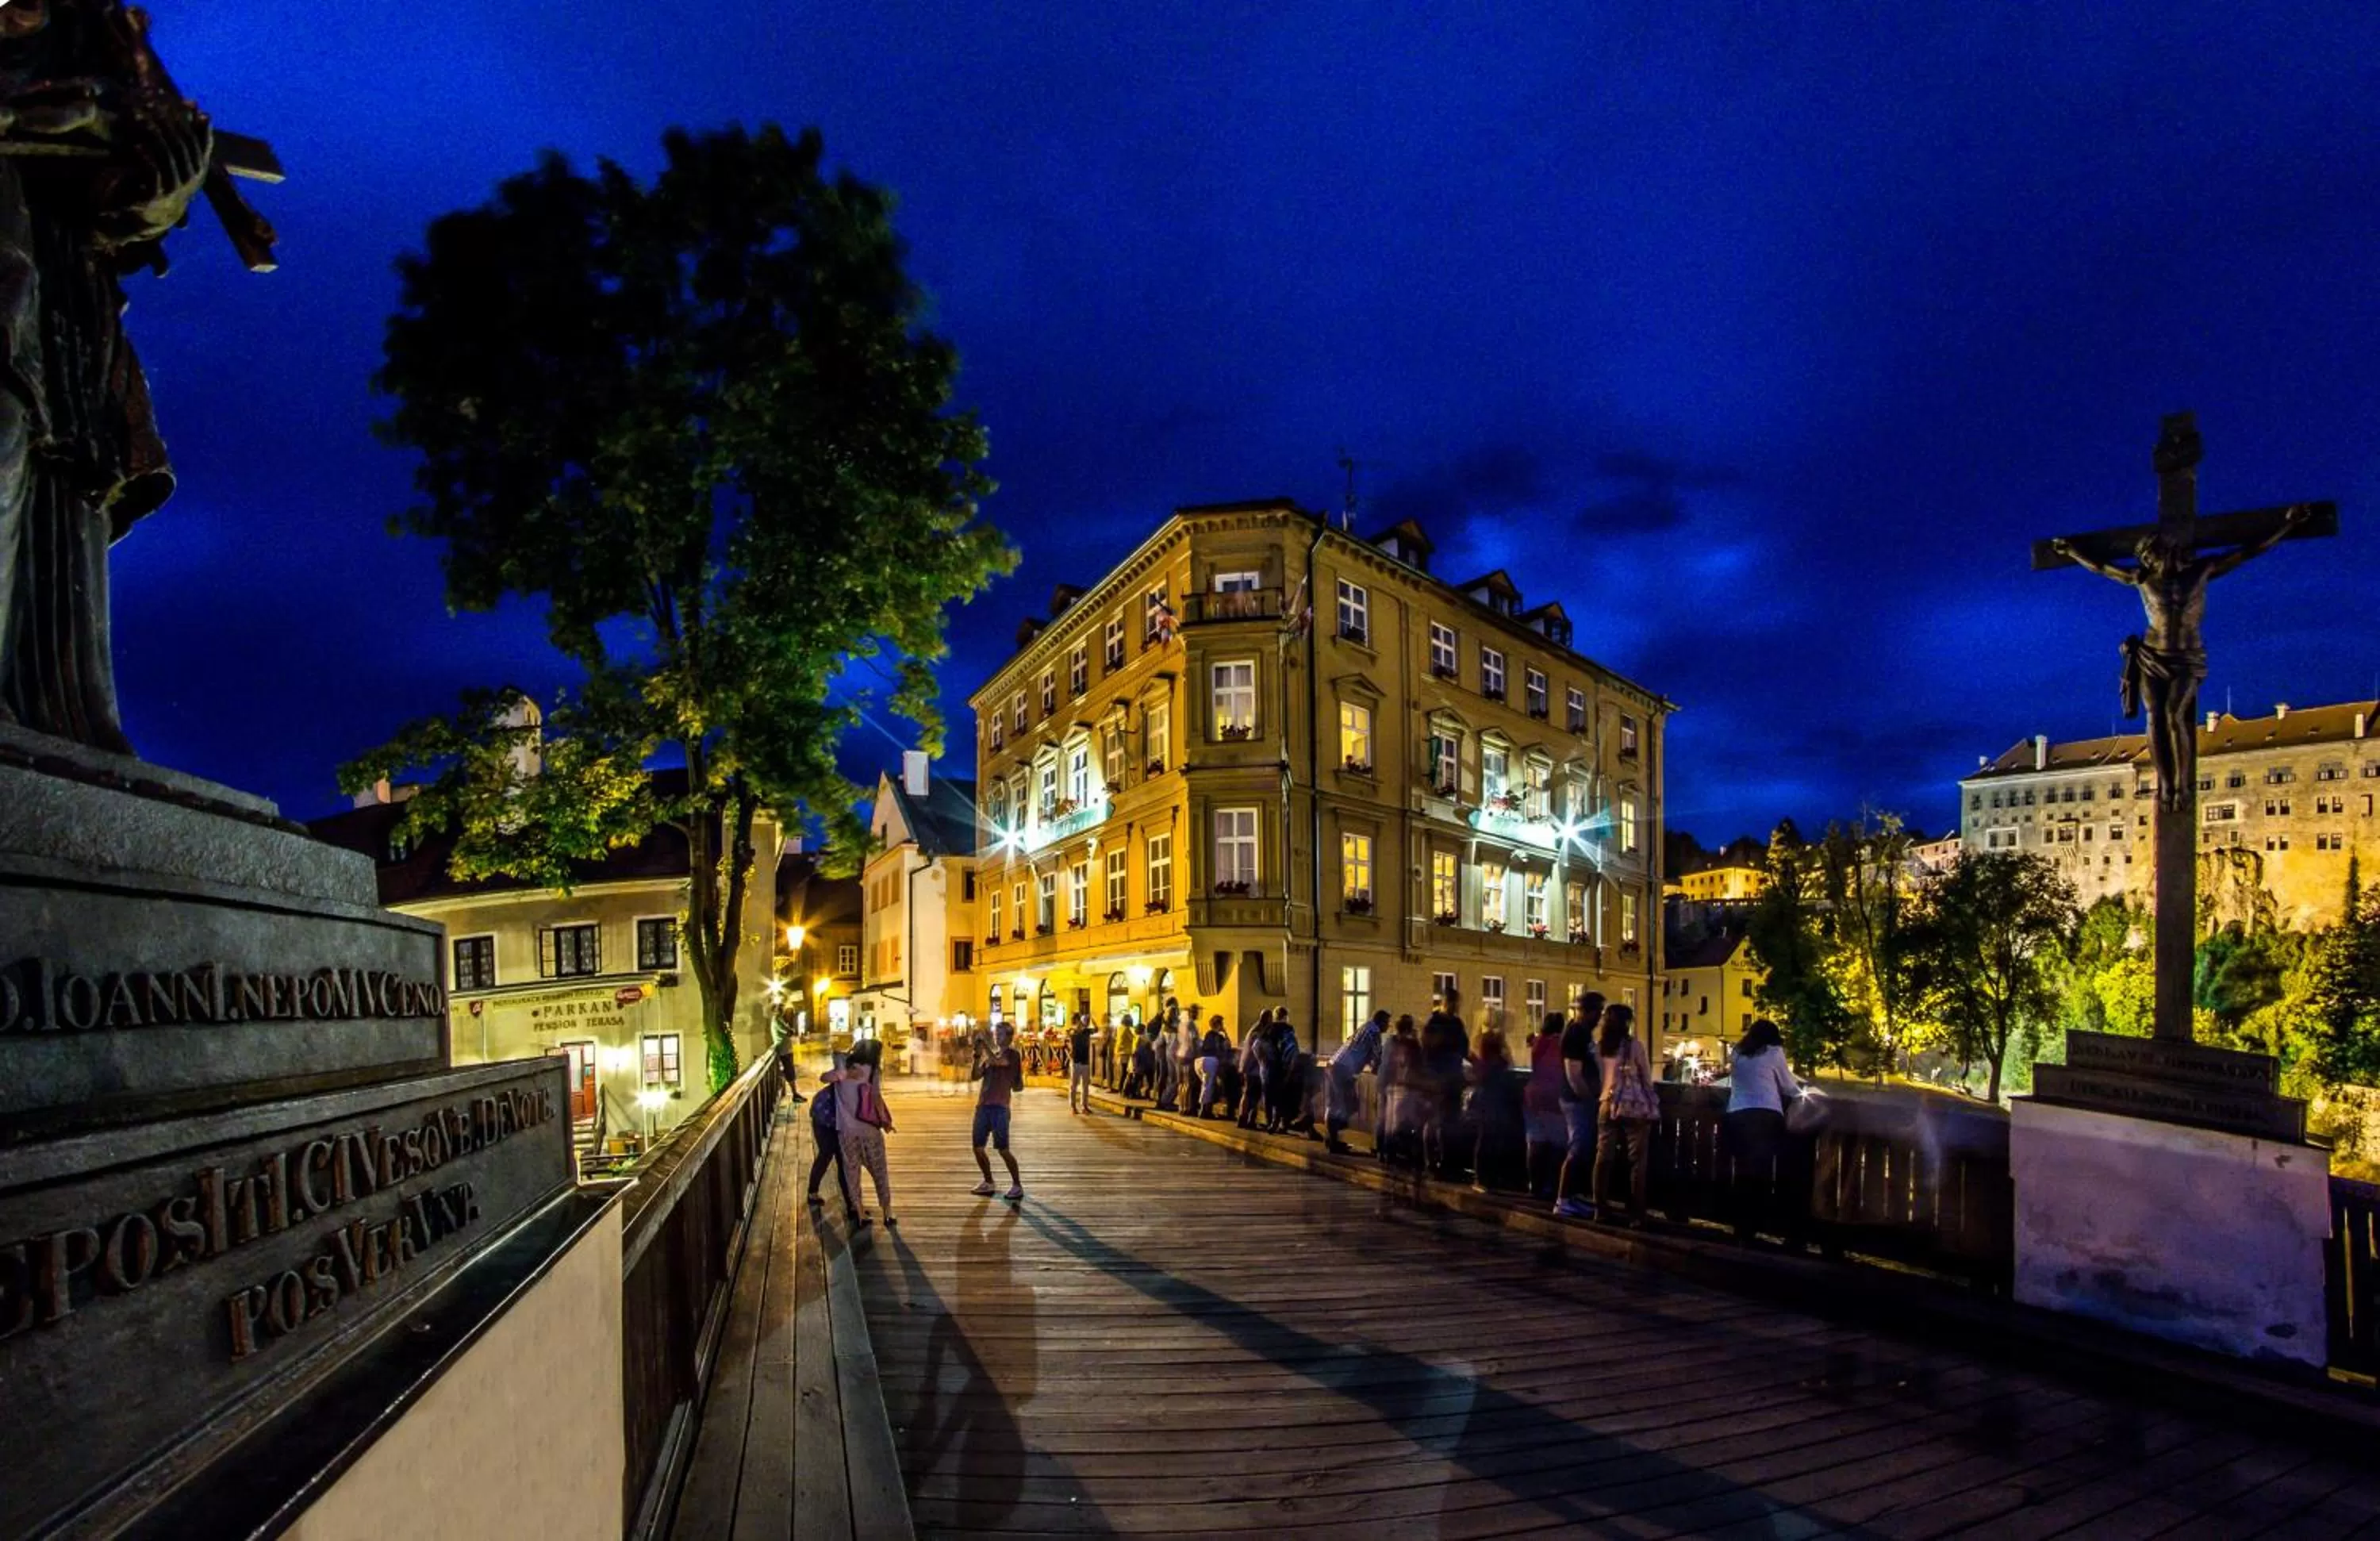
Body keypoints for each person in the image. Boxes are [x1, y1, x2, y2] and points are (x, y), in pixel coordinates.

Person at [1723, 1017, 1802, 1243]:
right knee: (1763, 1172)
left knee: (1743, 1171)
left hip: (1737, 1114)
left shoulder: (1737, 1053)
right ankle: (1759, 1224)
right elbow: (1788, 1086)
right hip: (1765, 1116)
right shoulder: (1774, 1052)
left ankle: (1741, 1226)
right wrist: (1804, 1094)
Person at [1591, 1005, 1660, 1225]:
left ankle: (1600, 1209)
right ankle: (1636, 1214)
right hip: (1633, 1107)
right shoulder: (1634, 1047)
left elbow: (1598, 1078)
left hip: (1606, 1104)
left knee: (1603, 1158)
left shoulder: (1599, 1048)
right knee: (1637, 1161)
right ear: (1627, 1023)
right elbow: (1646, 1079)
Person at [832, 1038, 896, 1226]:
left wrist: (842, 1072)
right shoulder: (872, 1070)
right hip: (869, 1130)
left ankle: (860, 1213)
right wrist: (885, 1121)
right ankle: (888, 1212)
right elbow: (876, 1098)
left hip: (846, 1131)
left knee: (852, 1172)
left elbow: (824, 1078)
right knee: (879, 1171)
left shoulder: (843, 1069)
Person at [1553, 993, 1606, 1220]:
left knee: (1582, 1149)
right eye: (1598, 1012)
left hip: (1577, 1099)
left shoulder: (1579, 1032)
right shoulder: (1576, 1034)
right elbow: (1573, 1074)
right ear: (1588, 1011)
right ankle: (1563, 1200)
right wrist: (1589, 1098)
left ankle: (1571, 1197)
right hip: (1576, 1101)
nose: (1600, 1018)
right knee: (1578, 1148)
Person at [968, 1021, 1026, 1201]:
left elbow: (1000, 1062)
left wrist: (983, 1044)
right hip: (983, 1106)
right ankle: (988, 1181)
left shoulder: (1013, 1055)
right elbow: (975, 1075)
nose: (996, 1037)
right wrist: (977, 1057)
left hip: (1000, 1108)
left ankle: (1017, 1185)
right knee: (977, 1147)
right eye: (995, 1034)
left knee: (1003, 1149)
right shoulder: (992, 1055)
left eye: (1000, 1034)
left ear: (1009, 1037)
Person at [1468, 1028, 1526, 1193]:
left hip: (1488, 1103)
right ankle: (1488, 1177)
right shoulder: (1498, 1063)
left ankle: (1483, 1178)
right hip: (1495, 1104)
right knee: (1491, 1140)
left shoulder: (1484, 1063)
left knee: (1486, 1140)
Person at [1326, 1009, 1388, 1153]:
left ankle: (1332, 1140)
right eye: (1387, 1023)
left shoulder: (1365, 1027)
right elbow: (1377, 1058)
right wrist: (1380, 1070)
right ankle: (1334, 1141)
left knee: (1336, 1104)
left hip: (1335, 1064)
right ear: (1381, 1021)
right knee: (1347, 1105)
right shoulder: (1374, 1032)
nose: (1387, 1027)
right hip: (1344, 1069)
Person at [1523, 1012, 1568, 1200]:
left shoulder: (1538, 1042)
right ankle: (1551, 1187)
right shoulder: (1558, 1045)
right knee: (1557, 1145)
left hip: (1532, 1097)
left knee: (1536, 1142)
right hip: (1552, 1098)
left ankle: (1534, 1185)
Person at [805, 1053, 854, 1217]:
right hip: (824, 1118)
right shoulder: (841, 1074)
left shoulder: (859, 1077)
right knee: (827, 1154)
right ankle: (813, 1193)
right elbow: (824, 1077)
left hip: (838, 1121)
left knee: (843, 1160)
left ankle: (852, 1204)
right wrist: (841, 1073)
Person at [1377, 1015, 1423, 1168]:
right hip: (1403, 1085)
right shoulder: (1409, 1044)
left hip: (1387, 1083)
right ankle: (1398, 1154)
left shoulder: (1391, 1042)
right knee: (1400, 1122)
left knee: (1386, 1120)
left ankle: (1384, 1153)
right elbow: (1414, 1062)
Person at [1197, 1014, 1233, 1116]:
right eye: (1221, 1023)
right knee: (1209, 1086)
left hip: (1202, 1061)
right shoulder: (1217, 1036)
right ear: (1218, 1024)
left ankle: (1206, 1109)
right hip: (1211, 1061)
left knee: (1207, 1086)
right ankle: (1204, 1111)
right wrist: (1225, 1032)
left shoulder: (1208, 1034)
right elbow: (1227, 1046)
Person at [1068, 1013, 1096, 1115]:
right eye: (1077, 1021)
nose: (1079, 1023)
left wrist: (1092, 1019)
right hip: (1076, 1061)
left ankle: (1084, 1106)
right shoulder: (1072, 1032)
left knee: (1085, 1085)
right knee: (1074, 1085)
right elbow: (1071, 1039)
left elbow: (1096, 1029)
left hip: (1084, 1061)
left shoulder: (1086, 1031)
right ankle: (1073, 1106)